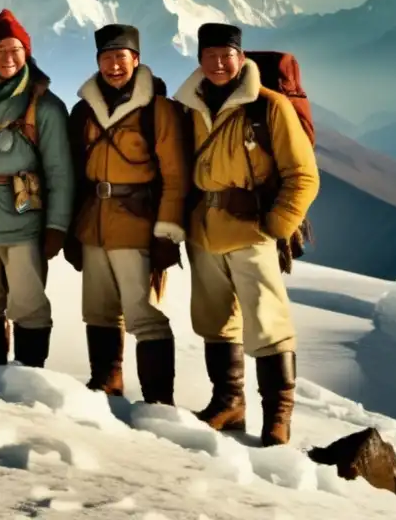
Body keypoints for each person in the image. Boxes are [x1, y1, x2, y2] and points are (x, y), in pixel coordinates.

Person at [174, 22, 319, 446]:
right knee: (215, 322)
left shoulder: (268, 106)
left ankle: (278, 418)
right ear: (199, 59)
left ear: (241, 58)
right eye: (210, 55)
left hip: (252, 231)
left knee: (269, 324)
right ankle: (229, 404)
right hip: (203, 231)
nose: (219, 64)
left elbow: (304, 175)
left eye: (227, 55)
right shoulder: (189, 106)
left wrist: (275, 226)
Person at [66, 24, 187, 405]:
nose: (114, 65)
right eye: (107, 57)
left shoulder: (158, 110)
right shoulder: (85, 110)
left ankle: (158, 399)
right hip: (93, 222)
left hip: (137, 222)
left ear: (136, 59)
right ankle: (107, 382)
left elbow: (175, 174)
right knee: (98, 309)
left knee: (142, 313)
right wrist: (70, 227)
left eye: (121, 57)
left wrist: (167, 232)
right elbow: (72, 170)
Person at [0, 9, 73, 370]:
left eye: (16, 50)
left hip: (24, 217)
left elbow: (60, 171)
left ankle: (28, 371)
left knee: (28, 301)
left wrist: (57, 226)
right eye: (1, 50)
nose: (8, 58)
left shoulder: (45, 107)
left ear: (27, 54)